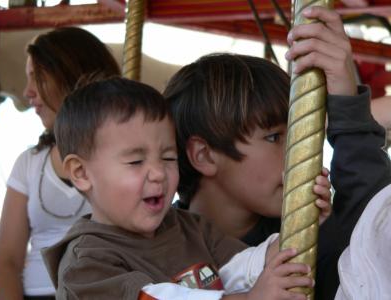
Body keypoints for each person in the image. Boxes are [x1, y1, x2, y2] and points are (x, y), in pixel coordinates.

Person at [163, 6, 391, 300]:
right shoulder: (153, 248)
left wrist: (329, 226)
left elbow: (374, 227)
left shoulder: (313, 236)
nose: (300, 154)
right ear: (204, 156)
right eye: (273, 137)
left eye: (294, 135)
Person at [42, 76, 332, 299]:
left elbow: (244, 267)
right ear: (81, 173)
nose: (158, 172)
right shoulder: (87, 265)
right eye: (136, 161)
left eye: (168, 157)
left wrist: (302, 218)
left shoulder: (191, 228)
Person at [0, 27, 121, 299]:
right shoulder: (29, 164)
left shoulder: (125, 156)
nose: (27, 92)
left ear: (68, 76)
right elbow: (6, 262)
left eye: (36, 78)